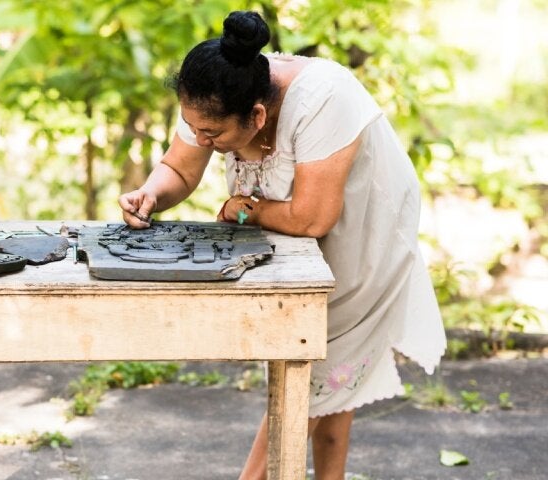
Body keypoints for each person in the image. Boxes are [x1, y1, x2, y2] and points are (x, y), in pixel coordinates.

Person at [118, 10, 446, 480]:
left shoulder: (323, 98)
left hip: (365, 236)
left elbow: (312, 216)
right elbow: (180, 169)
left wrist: (241, 210)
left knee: (315, 371)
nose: (204, 142)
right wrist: (152, 192)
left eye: (213, 135)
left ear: (257, 115)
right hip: (297, 242)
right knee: (335, 378)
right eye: (197, 131)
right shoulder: (214, 93)